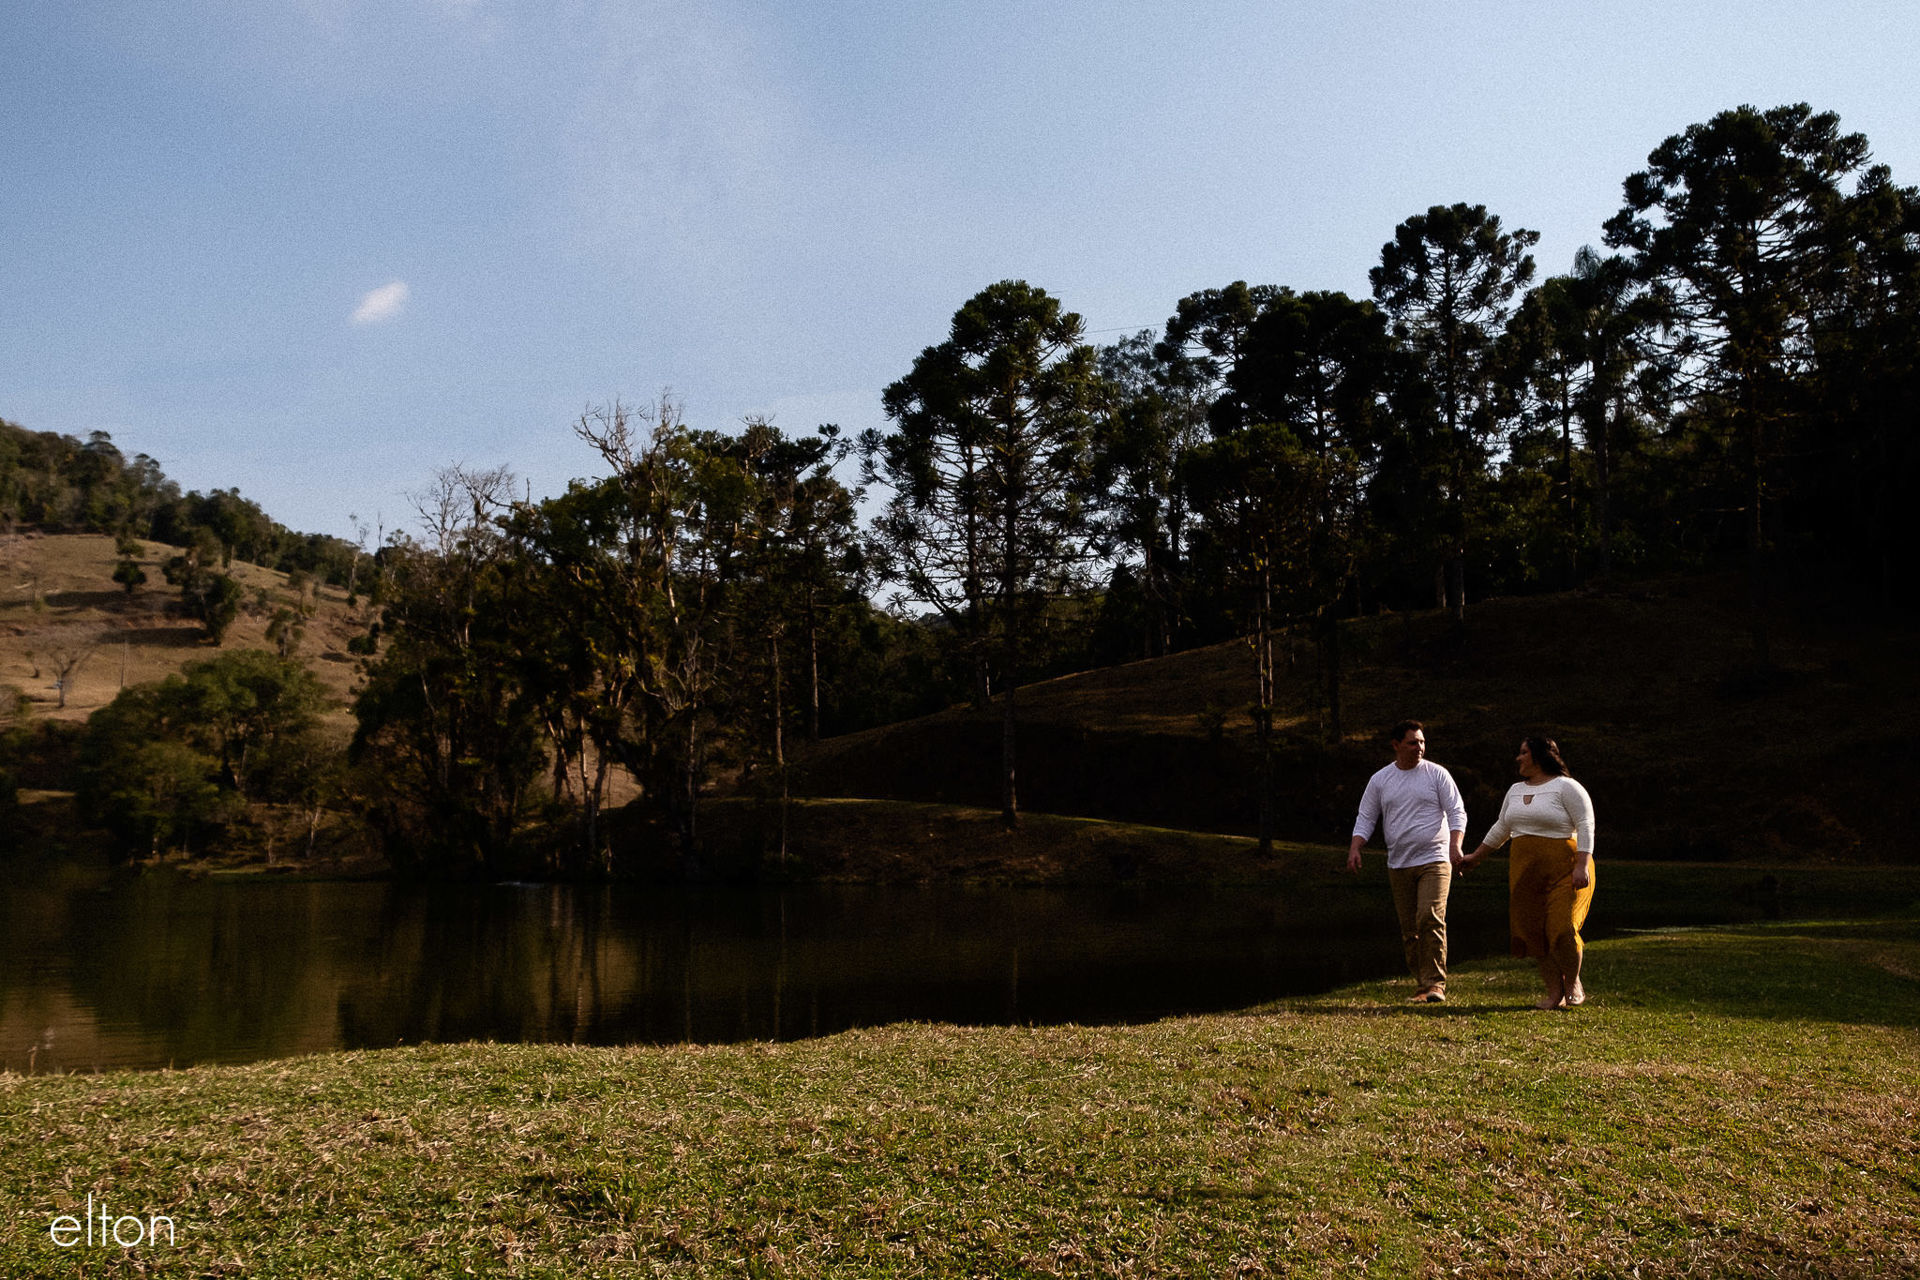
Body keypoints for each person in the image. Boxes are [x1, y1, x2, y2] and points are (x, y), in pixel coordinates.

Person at [1458, 735, 1596, 1010]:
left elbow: (1585, 824)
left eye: (1523, 752)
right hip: (1525, 871)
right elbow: (1502, 828)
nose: (1518, 758)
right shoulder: (1515, 790)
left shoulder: (1567, 787)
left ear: (1539, 755)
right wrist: (1476, 856)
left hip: (1565, 870)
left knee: (1562, 929)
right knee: (1532, 932)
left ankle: (1572, 983)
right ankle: (1554, 992)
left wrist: (1582, 864)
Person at [1347, 720, 1467, 1003]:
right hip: (1399, 863)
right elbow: (1366, 817)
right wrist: (1355, 848)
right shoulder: (1380, 780)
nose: (1420, 747)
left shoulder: (1437, 775)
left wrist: (1455, 846)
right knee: (1410, 929)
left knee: (1430, 916)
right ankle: (1423, 984)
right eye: (1413, 742)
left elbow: (1457, 812)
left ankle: (1436, 984)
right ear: (1396, 745)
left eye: (1422, 742)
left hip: (1435, 859)